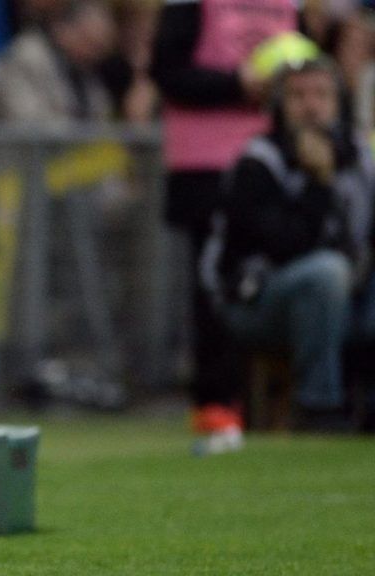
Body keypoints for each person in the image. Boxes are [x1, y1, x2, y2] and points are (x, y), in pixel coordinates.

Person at [150, 0, 299, 453]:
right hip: (205, 165)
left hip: (274, 160)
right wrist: (237, 83)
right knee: (212, 286)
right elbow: (167, 73)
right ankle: (216, 403)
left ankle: (274, 403)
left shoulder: (290, 5)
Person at [200, 55, 375, 431]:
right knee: (326, 271)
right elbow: (284, 245)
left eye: (321, 95)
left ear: (338, 102)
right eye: (298, 95)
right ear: (280, 105)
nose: (311, 106)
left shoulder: (361, 159)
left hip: (346, 302)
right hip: (257, 302)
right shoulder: (258, 162)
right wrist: (318, 184)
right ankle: (319, 407)